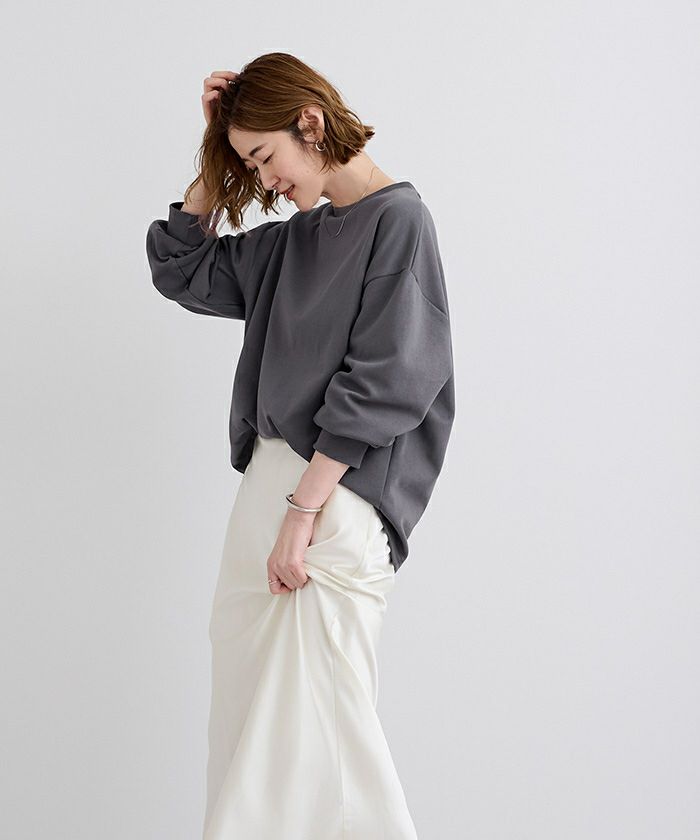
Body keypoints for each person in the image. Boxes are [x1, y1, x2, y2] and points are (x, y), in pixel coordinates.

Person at [145, 52, 455, 840]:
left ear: (309, 122)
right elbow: (180, 268)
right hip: (271, 492)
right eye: (249, 165)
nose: (265, 179)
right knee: (248, 721)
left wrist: (302, 512)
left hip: (330, 499)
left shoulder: (399, 221)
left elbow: (389, 377)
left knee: (320, 729)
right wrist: (216, 149)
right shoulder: (292, 243)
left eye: (264, 156)